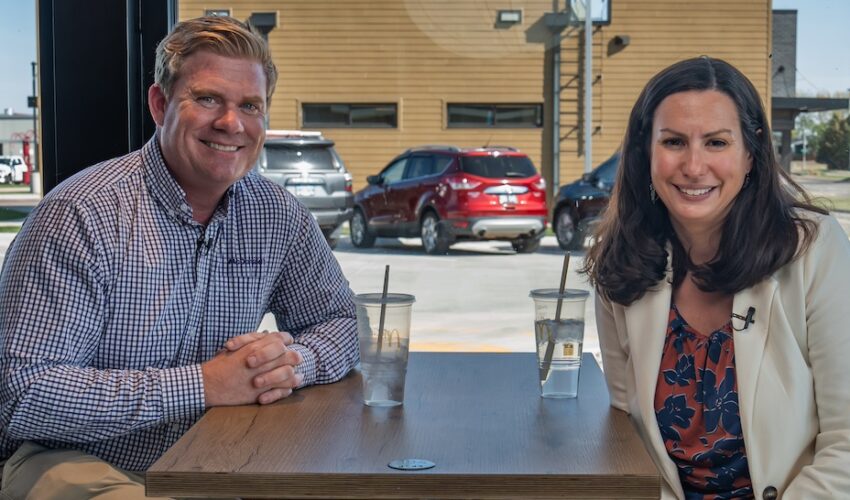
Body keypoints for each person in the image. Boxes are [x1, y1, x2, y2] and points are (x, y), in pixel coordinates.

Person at [0, 16, 359, 498]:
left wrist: (287, 364)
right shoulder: (81, 215)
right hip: (73, 459)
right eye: (208, 99)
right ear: (160, 104)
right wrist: (204, 385)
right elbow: (23, 394)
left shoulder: (277, 215)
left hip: (214, 460)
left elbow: (341, 322)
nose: (231, 123)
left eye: (250, 105)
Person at [582, 56, 850, 499]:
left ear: (751, 153)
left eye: (716, 142)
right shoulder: (621, 260)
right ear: (645, 152)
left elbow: (846, 446)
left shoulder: (814, 249)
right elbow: (628, 439)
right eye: (673, 142)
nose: (693, 166)